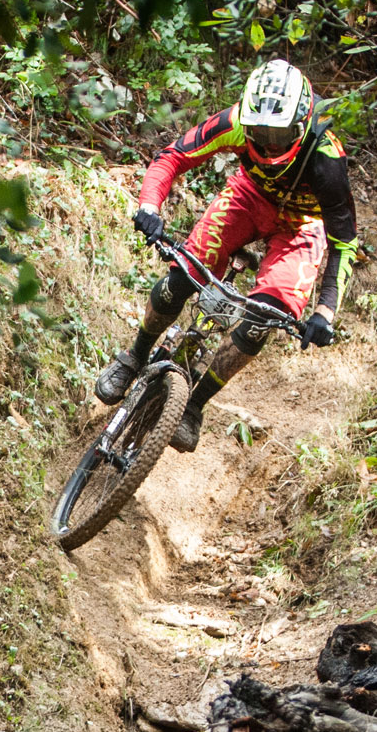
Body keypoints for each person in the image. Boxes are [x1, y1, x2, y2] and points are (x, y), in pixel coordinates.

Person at [97, 59, 360, 453]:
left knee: (263, 319)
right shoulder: (235, 122)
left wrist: (325, 311)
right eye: (261, 132)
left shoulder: (326, 159)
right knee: (183, 275)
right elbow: (172, 157)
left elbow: (343, 241)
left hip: (302, 226)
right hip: (249, 198)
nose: (270, 144)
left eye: (280, 133)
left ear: (302, 124)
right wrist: (149, 206)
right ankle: (134, 356)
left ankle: (194, 406)